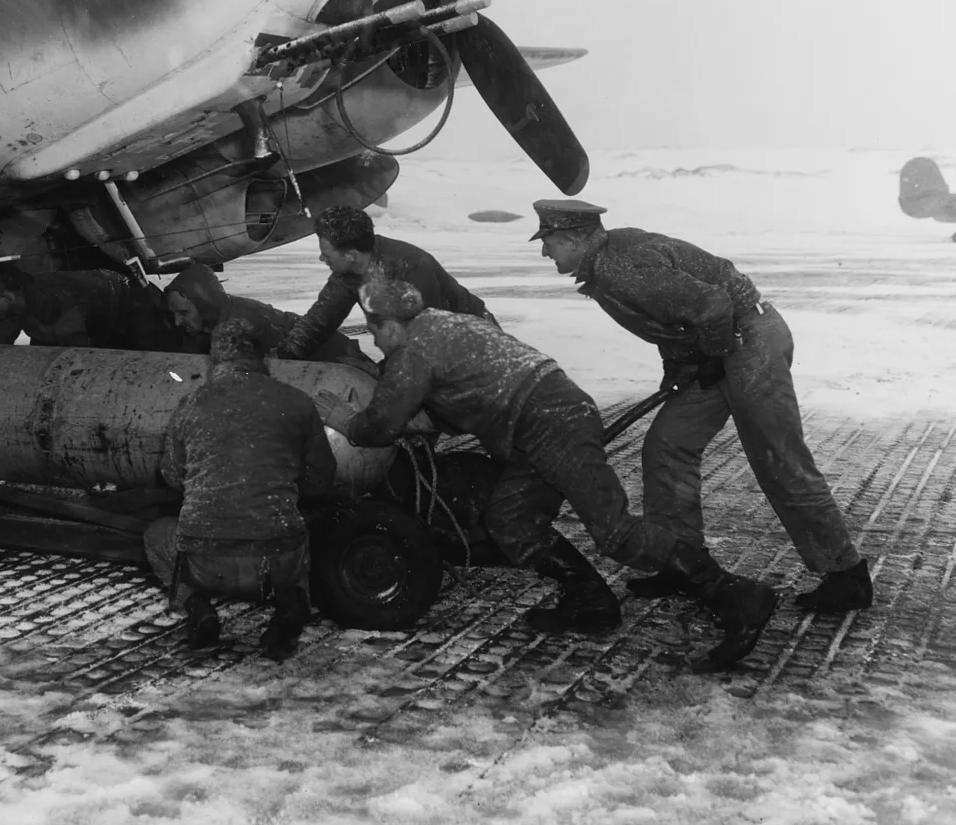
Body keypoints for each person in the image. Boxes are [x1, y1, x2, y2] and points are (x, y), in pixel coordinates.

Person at [326, 280, 779, 670]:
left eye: (374, 333)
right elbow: (471, 387)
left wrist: (342, 418)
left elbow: (378, 428)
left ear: (388, 323)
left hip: (549, 421)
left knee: (615, 533)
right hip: (544, 417)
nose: (376, 344)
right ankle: (591, 602)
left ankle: (738, 597)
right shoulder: (446, 322)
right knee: (512, 520)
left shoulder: (412, 351)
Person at [529, 198, 871, 613]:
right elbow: (670, 322)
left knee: (777, 457)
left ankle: (845, 574)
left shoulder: (622, 267)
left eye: (549, 242)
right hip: (719, 347)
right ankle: (682, 562)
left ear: (574, 239)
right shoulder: (608, 264)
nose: (546, 252)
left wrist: (711, 354)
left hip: (748, 341)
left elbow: (713, 305)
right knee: (667, 446)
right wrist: (679, 366)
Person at [143, 319, 338, 658]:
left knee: (157, 535)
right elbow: (322, 478)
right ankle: (294, 603)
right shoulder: (297, 402)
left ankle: (197, 606)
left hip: (207, 563)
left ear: (214, 360)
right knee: (304, 527)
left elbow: (173, 476)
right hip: (276, 561)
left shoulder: (190, 405)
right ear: (264, 357)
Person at [275, 205, 497, 362]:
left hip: (475, 342)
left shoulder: (411, 267)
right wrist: (283, 355)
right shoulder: (349, 271)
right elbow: (320, 320)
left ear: (350, 254)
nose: (322, 259)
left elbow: (427, 343)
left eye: (326, 254)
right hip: (422, 346)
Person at [163, 263, 377, 374]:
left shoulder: (242, 325)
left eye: (183, 314)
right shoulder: (215, 319)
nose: (177, 323)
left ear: (204, 305)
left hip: (341, 359)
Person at [0, 263, 177, 350]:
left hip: (128, 301)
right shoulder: (8, 307)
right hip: (93, 314)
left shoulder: (52, 300)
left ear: (7, 296)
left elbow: (77, 353)